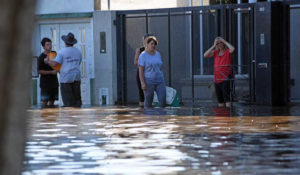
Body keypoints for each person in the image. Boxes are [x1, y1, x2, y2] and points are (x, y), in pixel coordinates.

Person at [45, 32, 82, 107]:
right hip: (76, 77)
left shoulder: (62, 52)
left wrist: (47, 61)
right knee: (77, 99)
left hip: (66, 78)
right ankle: (78, 114)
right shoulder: (78, 51)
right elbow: (79, 62)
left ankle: (69, 116)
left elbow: (55, 64)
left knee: (68, 101)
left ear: (65, 42)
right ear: (73, 42)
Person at [204, 37, 235, 108]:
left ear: (223, 43)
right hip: (217, 79)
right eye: (218, 43)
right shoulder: (215, 53)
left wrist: (224, 40)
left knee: (227, 99)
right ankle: (221, 116)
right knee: (220, 100)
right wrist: (213, 45)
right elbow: (205, 55)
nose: (219, 44)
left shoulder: (227, 51)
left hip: (226, 77)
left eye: (221, 43)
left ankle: (228, 116)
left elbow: (232, 49)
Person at [138, 36, 166, 108]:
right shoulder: (143, 55)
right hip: (149, 81)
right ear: (147, 45)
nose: (153, 46)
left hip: (160, 80)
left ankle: (161, 116)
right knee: (148, 101)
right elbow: (141, 70)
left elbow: (159, 67)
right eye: (152, 44)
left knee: (162, 99)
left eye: (155, 44)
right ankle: (148, 116)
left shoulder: (158, 54)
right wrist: (143, 83)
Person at [37, 38, 59, 108]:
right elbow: (39, 71)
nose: (50, 46)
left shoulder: (54, 54)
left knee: (52, 102)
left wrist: (49, 63)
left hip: (54, 83)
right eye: (47, 44)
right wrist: (51, 72)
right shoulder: (41, 57)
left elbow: (57, 66)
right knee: (44, 102)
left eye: (50, 44)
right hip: (45, 84)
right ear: (43, 46)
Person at [134, 33, 154, 107]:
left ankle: (151, 113)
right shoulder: (139, 50)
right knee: (142, 93)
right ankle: (142, 112)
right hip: (141, 73)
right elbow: (135, 62)